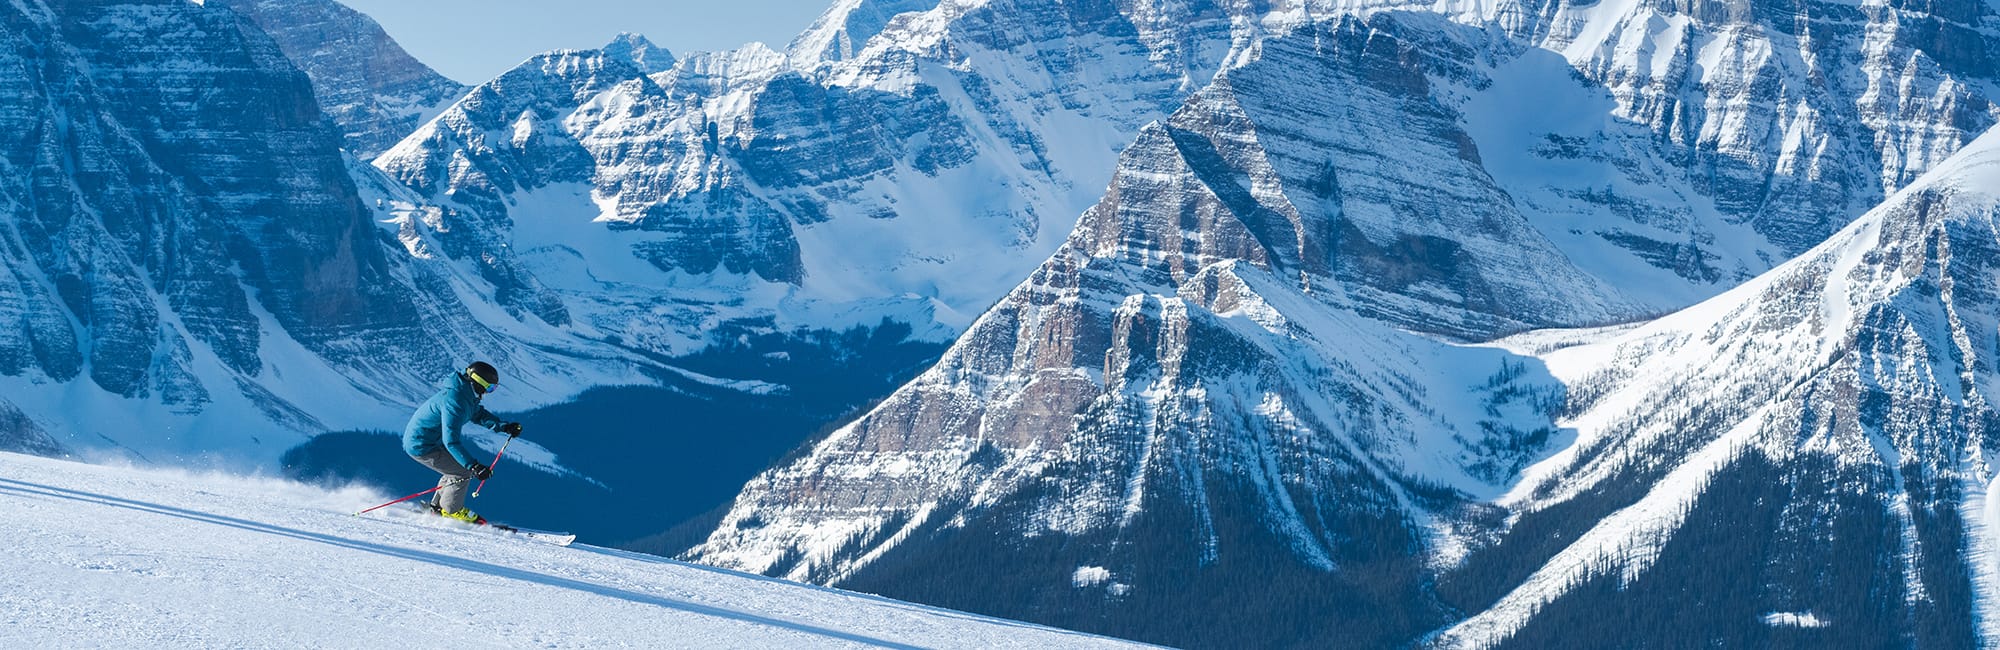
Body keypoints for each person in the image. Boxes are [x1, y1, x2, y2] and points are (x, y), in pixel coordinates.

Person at [402, 361, 523, 523]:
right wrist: (474, 466)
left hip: (430, 440)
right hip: (421, 445)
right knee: (461, 472)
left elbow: (477, 413)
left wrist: (504, 426)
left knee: (454, 469)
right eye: (490, 388)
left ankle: (438, 507)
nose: (489, 392)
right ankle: (452, 510)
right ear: (479, 383)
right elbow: (451, 441)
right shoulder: (456, 401)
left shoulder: (465, 393)